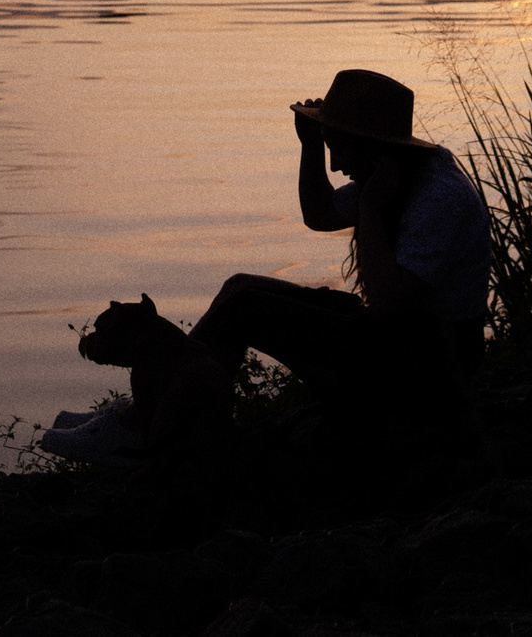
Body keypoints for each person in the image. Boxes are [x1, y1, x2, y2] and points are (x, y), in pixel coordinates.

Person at [188, 69, 488, 448]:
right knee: (240, 288)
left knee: (247, 307)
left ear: (372, 145)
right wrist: (311, 146)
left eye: (339, 149)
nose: (335, 166)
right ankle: (174, 411)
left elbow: (389, 305)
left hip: (428, 365)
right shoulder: (395, 174)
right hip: (398, 340)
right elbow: (321, 213)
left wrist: (370, 209)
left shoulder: (436, 197)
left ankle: (179, 427)